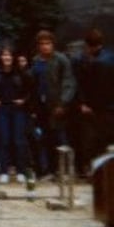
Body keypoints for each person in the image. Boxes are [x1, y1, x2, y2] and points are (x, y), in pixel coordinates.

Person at [29, 30, 76, 179]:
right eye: (42, 44)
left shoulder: (61, 60)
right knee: (45, 139)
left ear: (52, 44)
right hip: (42, 106)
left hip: (58, 105)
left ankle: (66, 171)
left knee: (61, 139)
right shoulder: (36, 61)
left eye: (48, 43)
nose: (45, 46)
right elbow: (33, 84)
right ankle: (49, 170)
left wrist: (63, 103)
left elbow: (69, 83)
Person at [0, 46, 32, 183]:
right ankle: (4, 171)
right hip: (2, 110)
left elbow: (30, 90)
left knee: (19, 140)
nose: (7, 58)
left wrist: (23, 100)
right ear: (0, 57)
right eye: (4, 55)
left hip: (18, 110)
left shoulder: (21, 73)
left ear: (13, 57)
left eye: (9, 55)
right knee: (3, 140)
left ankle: (21, 171)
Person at [75, 28, 114, 173]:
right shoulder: (110, 57)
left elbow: (94, 88)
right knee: (107, 142)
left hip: (97, 108)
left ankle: (96, 171)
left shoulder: (95, 63)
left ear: (88, 46)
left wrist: (86, 104)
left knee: (94, 142)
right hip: (109, 108)